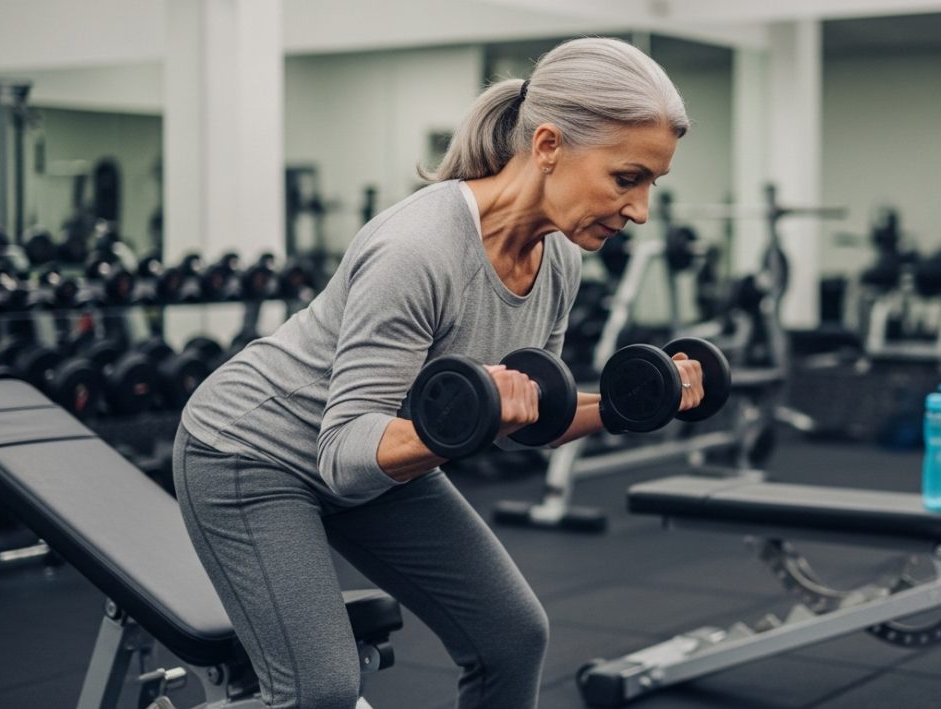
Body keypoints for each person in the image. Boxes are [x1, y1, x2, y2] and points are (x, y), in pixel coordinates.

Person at [172, 37, 698, 709]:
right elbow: (343, 455)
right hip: (250, 454)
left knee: (512, 639)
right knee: (321, 690)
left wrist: (635, 402)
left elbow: (527, 417)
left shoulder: (559, 258)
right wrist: (467, 419)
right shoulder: (417, 249)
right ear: (547, 145)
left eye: (653, 184)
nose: (641, 210)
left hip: (383, 453)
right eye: (627, 178)